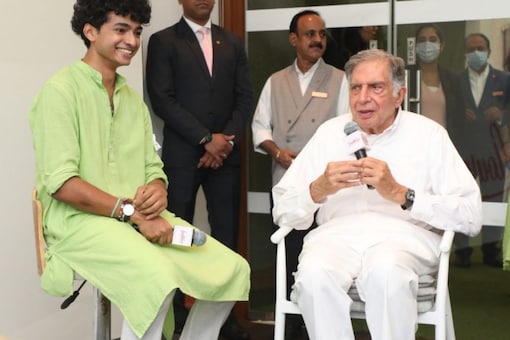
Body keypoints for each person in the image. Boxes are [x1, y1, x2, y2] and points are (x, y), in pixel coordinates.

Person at [28, 1, 250, 340]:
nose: (132, 40)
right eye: (120, 29)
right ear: (90, 31)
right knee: (157, 278)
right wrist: (132, 213)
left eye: (136, 31)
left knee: (232, 270)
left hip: (137, 217)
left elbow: (153, 167)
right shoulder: (59, 92)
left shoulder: (132, 100)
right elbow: (62, 185)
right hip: (77, 223)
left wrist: (159, 188)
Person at [272, 49, 482, 340]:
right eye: (356, 87)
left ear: (399, 95)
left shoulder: (428, 135)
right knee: (313, 275)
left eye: (376, 87)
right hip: (335, 238)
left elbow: (470, 215)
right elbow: (282, 207)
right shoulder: (329, 133)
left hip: (403, 239)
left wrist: (401, 194)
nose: (362, 98)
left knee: (386, 272)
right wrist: (317, 188)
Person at [145, 0, 253, 338]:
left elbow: (244, 98)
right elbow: (161, 97)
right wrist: (206, 139)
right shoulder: (163, 41)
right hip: (182, 156)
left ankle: (224, 317)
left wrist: (225, 142)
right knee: (175, 233)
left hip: (226, 157)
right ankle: (175, 315)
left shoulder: (233, 42)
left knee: (225, 236)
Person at [251, 9, 349, 338]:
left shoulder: (338, 79)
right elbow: (259, 127)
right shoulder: (275, 81)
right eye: (310, 34)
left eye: (322, 34)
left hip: (325, 185)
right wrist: (277, 152)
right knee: (290, 253)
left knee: (321, 255)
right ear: (294, 39)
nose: (317, 39)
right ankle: (291, 323)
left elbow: (347, 130)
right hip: (287, 181)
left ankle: (319, 325)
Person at [455, 32, 510, 268]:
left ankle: (490, 249)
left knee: (494, 196)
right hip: (464, 149)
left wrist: (501, 116)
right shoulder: (456, 80)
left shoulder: (504, 79)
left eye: (479, 48)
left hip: (493, 149)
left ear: (488, 51)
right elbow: (450, 113)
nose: (475, 53)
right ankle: (462, 251)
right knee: (460, 197)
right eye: (470, 49)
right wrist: (460, 115)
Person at [413, 23, 464, 139]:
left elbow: (460, 121)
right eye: (422, 40)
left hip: (443, 145)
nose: (427, 44)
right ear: (415, 46)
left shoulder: (452, 80)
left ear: (441, 45)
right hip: (413, 143)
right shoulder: (407, 76)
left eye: (432, 40)